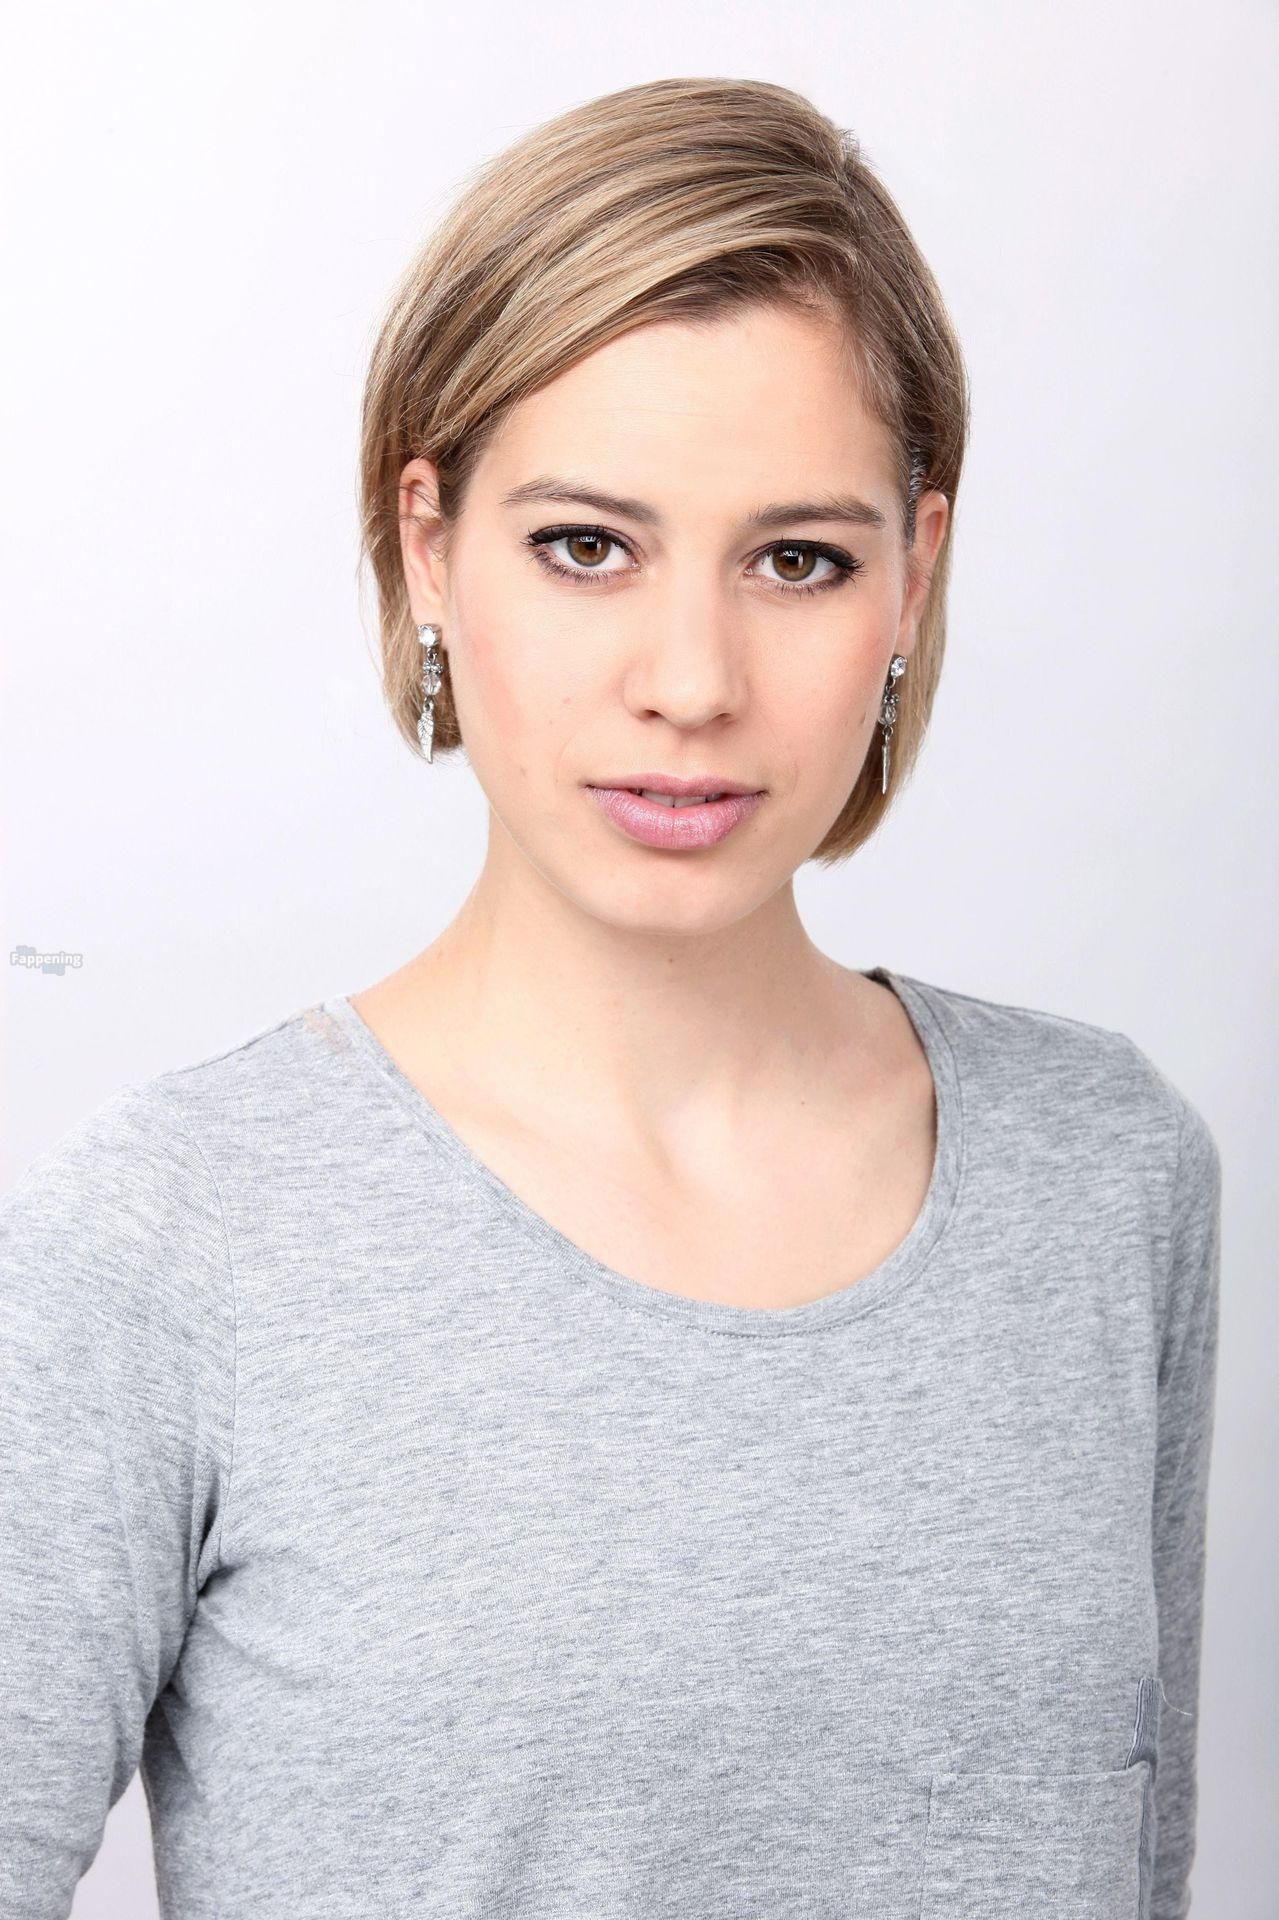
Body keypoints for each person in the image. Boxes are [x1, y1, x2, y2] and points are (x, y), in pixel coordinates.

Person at [0, 76, 1220, 1920]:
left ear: (914, 577)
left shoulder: (1109, 1172)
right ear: (430, 548)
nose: (692, 679)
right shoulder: (172, 1238)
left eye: (798, 560)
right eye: (587, 545)